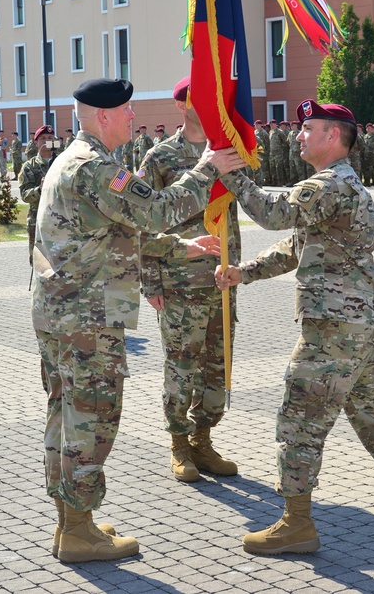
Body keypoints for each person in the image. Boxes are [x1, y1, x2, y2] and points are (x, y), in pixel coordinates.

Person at [216, 99, 374, 556]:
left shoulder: (331, 183)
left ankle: (296, 522)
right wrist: (246, 271)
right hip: (352, 322)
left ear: (334, 137)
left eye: (309, 128)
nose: (299, 135)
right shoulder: (334, 185)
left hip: (337, 326)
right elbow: (295, 243)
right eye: (300, 129)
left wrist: (228, 171)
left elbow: (272, 212)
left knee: (299, 417)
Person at [32, 78, 245, 563]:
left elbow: (114, 231)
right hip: (87, 317)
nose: (133, 118)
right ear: (103, 116)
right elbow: (156, 211)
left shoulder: (76, 160)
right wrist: (207, 167)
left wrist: (181, 248)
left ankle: (71, 520)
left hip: (65, 312)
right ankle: (81, 532)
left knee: (67, 415)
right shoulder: (95, 168)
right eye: (127, 111)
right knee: (92, 419)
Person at [137, 77, 241, 484]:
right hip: (180, 281)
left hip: (222, 278)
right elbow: (143, 221)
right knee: (182, 366)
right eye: (204, 98)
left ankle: (203, 439)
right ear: (182, 105)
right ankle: (179, 444)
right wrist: (151, 282)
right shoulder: (160, 157)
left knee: (218, 366)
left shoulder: (228, 151)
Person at [19, 125, 56, 266]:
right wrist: (39, 189)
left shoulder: (62, 163)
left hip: (61, 221)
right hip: (38, 221)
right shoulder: (29, 166)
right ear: (36, 143)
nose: (47, 141)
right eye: (43, 138)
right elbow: (25, 195)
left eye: (50, 138)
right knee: (38, 261)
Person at [269, 118, 289, 186]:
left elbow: (285, 142)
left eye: (273, 124)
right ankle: (274, 181)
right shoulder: (271, 132)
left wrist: (280, 148)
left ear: (275, 124)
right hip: (272, 153)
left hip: (278, 153)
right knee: (273, 168)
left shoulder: (280, 132)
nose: (271, 125)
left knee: (278, 168)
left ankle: (280, 182)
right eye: (270, 124)